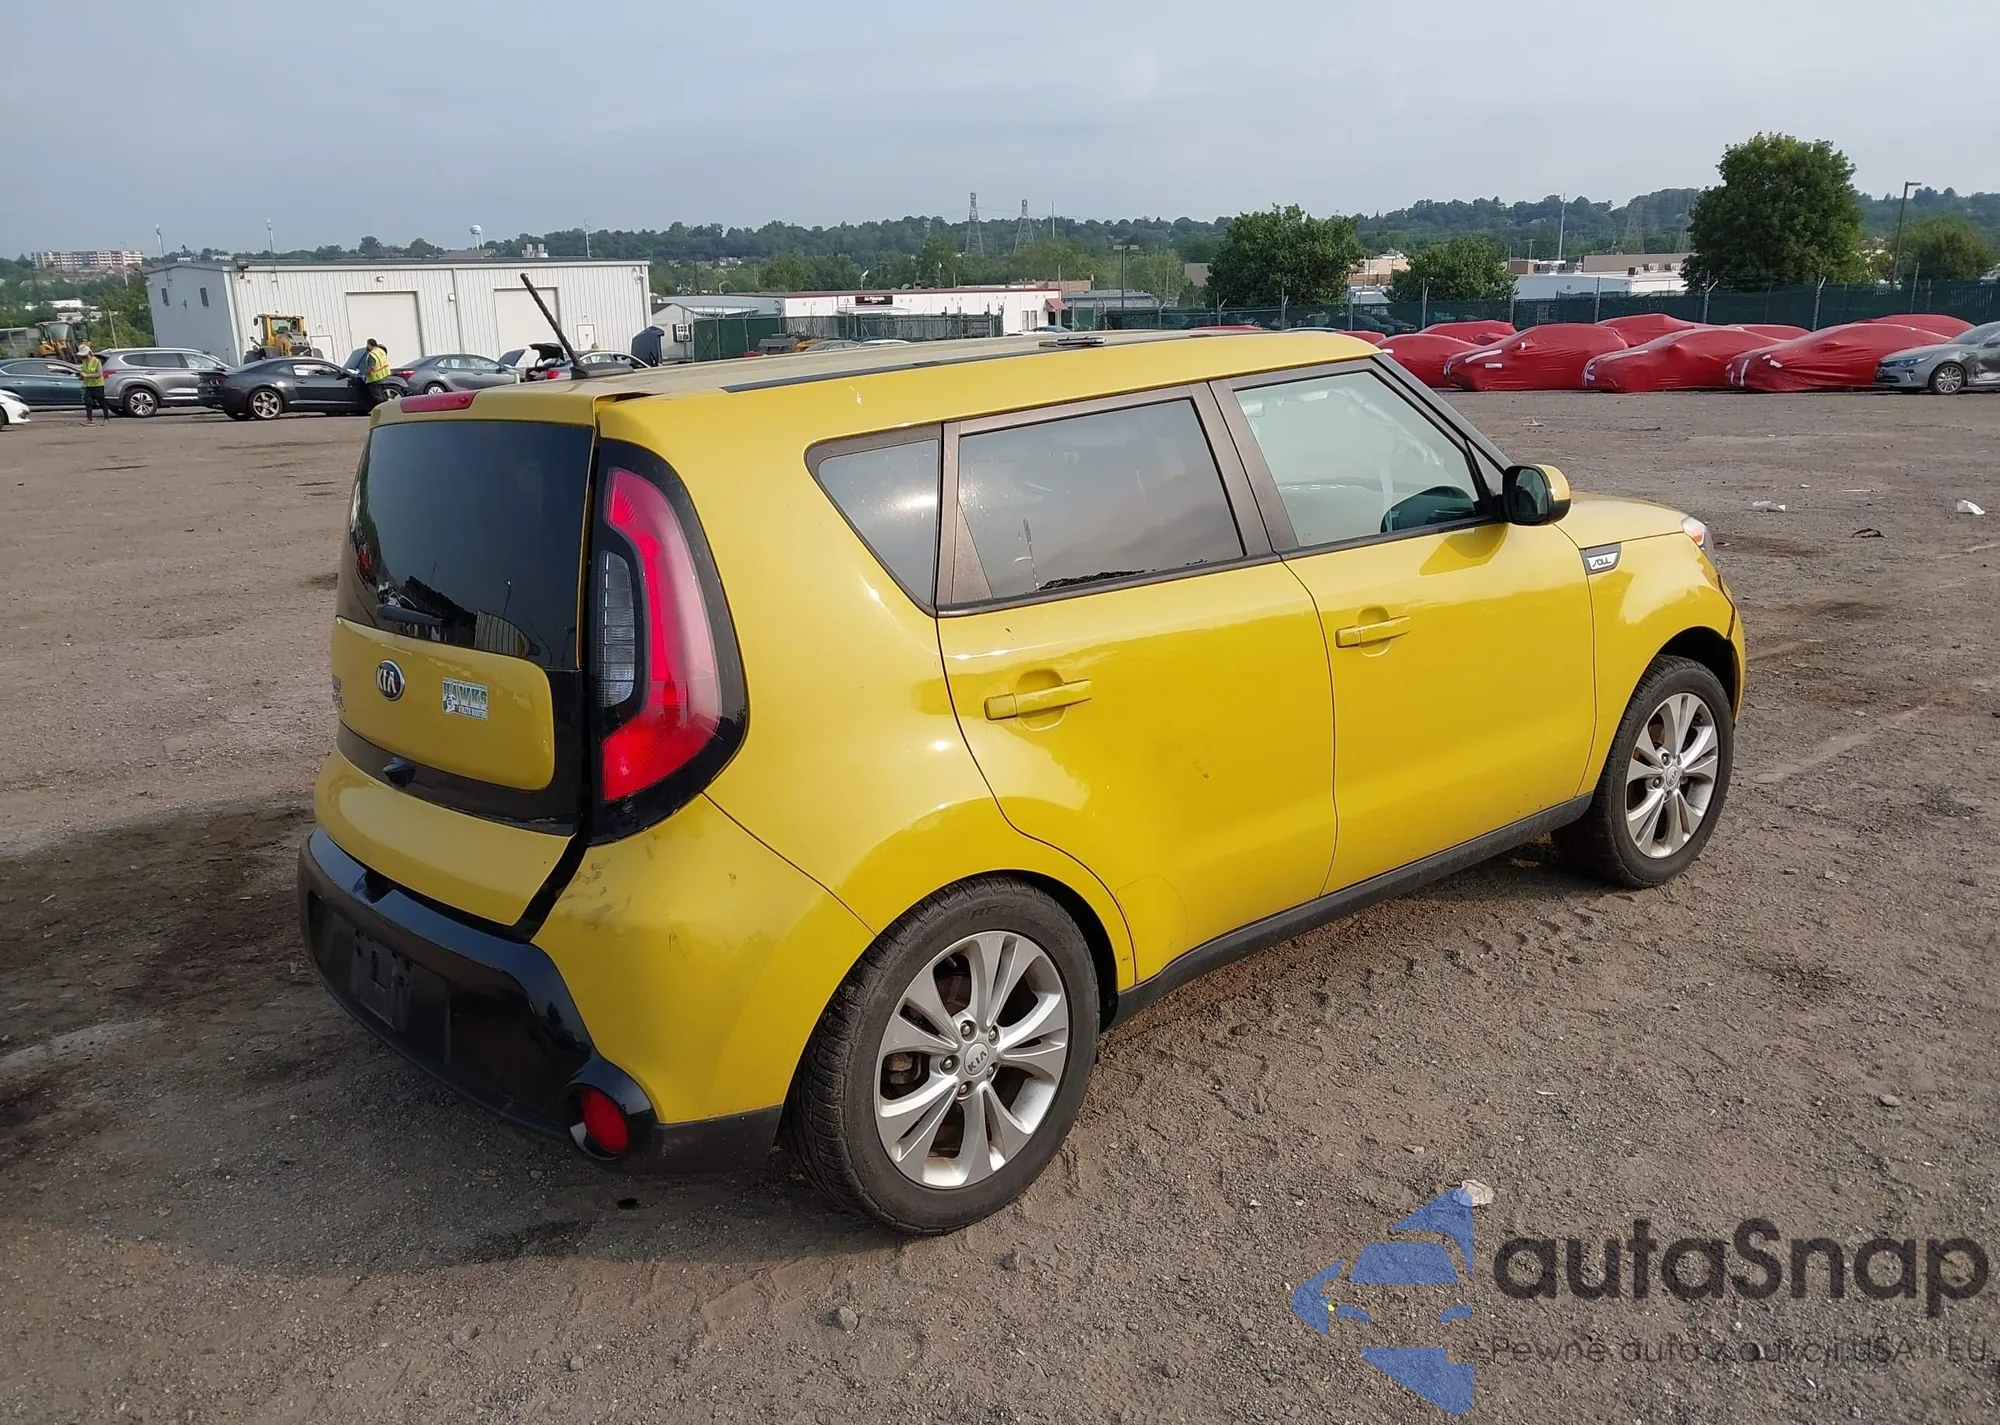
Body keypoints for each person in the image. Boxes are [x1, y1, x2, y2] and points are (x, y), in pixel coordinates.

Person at [77, 344, 110, 424]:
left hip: (98, 385)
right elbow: (82, 370)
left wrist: (87, 375)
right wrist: (81, 374)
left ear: (88, 353)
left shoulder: (96, 361)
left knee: (101, 402)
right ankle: (89, 419)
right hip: (89, 385)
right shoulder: (84, 361)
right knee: (88, 401)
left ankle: (106, 418)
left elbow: (99, 374)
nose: (83, 356)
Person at [361, 338, 393, 407]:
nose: (367, 346)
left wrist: (365, 373)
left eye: (367, 344)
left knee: (377, 397)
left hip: (374, 378)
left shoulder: (372, 354)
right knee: (383, 394)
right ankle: (387, 406)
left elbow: (371, 368)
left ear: (370, 345)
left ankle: (382, 408)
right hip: (384, 376)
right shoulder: (381, 351)